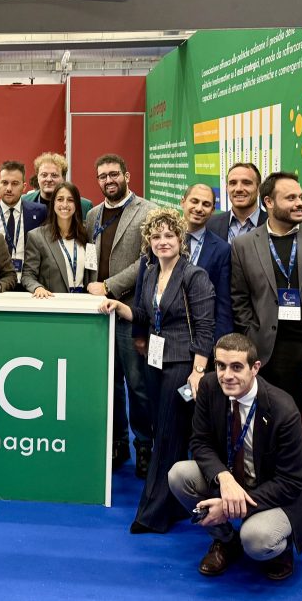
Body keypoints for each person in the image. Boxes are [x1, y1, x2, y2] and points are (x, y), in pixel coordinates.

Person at [100, 208, 214, 534]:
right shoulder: (149, 273)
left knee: (166, 435)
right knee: (164, 431)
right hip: (154, 361)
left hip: (182, 365)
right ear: (148, 241)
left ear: (180, 239)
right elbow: (144, 315)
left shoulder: (194, 276)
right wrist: (119, 307)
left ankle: (152, 514)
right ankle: (176, 504)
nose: (162, 241)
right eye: (156, 236)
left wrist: (198, 371)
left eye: (169, 235)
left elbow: (205, 328)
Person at [168, 334, 302, 581]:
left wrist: (227, 509)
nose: (227, 375)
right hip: (232, 478)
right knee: (179, 475)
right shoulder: (209, 386)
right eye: (221, 366)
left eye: (236, 367)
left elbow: (290, 483)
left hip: (275, 493)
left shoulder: (283, 409)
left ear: (255, 368)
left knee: (256, 540)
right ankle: (225, 541)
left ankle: (281, 549)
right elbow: (200, 442)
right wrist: (223, 478)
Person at [85, 153, 157, 475]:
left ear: (127, 175)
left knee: (137, 385)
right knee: (109, 383)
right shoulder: (93, 215)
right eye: (103, 176)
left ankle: (144, 445)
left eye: (114, 174)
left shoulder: (147, 211)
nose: (108, 180)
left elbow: (147, 258)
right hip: (99, 313)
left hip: (130, 310)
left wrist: (109, 286)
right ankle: (117, 443)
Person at [230, 171, 302, 410]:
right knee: (275, 417)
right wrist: (253, 335)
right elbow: (239, 298)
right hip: (272, 350)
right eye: (291, 198)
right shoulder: (244, 245)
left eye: (301, 197)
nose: (300, 203)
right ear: (269, 202)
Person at [133, 184, 233, 344]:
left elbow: (223, 303)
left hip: (201, 336)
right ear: (183, 202)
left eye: (206, 204)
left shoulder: (222, 250)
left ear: (213, 210)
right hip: (160, 333)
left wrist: (220, 343)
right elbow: (141, 290)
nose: (199, 208)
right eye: (194, 201)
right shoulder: (159, 240)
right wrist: (139, 333)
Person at [0, 160, 47, 285]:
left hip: (29, 284)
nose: (9, 188)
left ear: (24, 187)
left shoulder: (40, 213)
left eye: (15, 183)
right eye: (4, 183)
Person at [21, 182, 90, 296]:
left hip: (83, 302)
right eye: (60, 199)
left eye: (70, 200)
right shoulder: (37, 236)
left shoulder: (87, 233)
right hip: (52, 302)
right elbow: (28, 275)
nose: (65, 204)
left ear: (77, 204)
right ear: (53, 203)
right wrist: (37, 288)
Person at [206, 163, 268, 244]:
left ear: (259, 189)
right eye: (233, 183)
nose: (238, 189)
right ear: (227, 188)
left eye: (246, 183)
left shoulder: (273, 225)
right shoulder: (210, 224)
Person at [21, 152, 92, 219]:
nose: (49, 179)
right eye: (44, 175)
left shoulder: (84, 206)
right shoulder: (23, 201)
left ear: (63, 178)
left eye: (54, 175)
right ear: (37, 177)